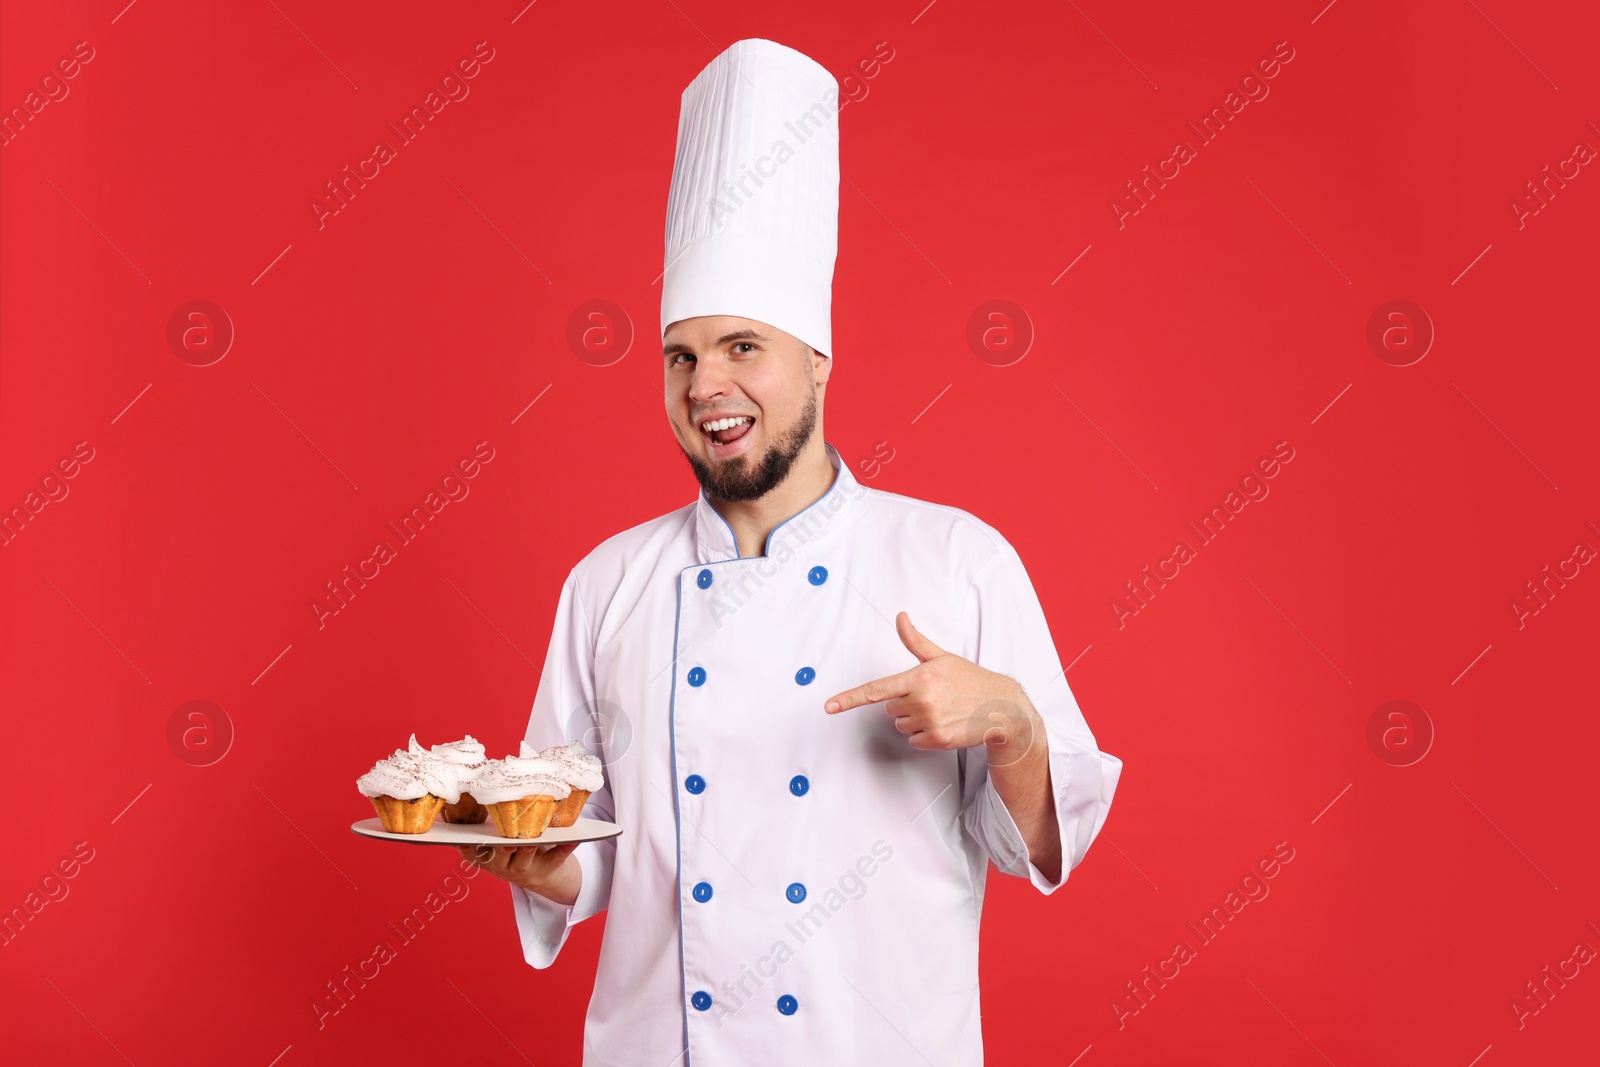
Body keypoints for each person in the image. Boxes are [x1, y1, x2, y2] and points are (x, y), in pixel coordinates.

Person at [459, 37, 1122, 1065]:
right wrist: (525, 853)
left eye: (741, 347)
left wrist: (1015, 725)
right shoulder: (606, 587)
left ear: (815, 361)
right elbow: (581, 856)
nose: (704, 385)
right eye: (680, 354)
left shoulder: (955, 558)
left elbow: (1037, 841)